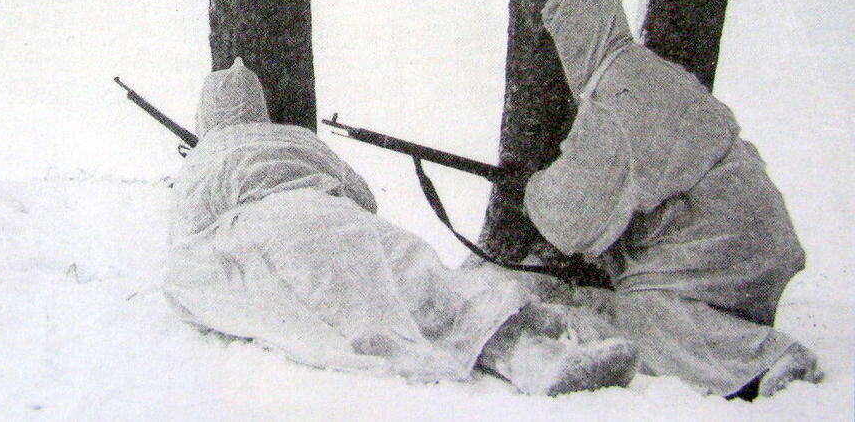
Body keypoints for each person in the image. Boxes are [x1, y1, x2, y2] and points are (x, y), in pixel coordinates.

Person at [164, 58, 639, 395]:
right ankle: (526, 346)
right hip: (337, 217)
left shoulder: (204, 159)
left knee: (354, 316)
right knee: (418, 279)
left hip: (268, 234)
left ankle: (530, 355)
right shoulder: (295, 138)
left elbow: (186, 239)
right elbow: (364, 197)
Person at [524, 0, 824, 398]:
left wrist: (532, 191)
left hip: (722, 247)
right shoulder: (650, 70)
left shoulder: (611, 99)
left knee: (639, 316)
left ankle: (767, 357)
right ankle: (733, 335)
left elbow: (573, 217)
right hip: (752, 235)